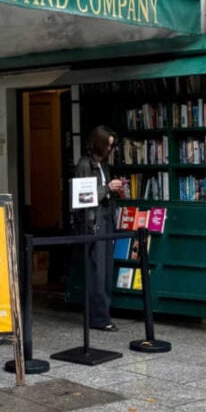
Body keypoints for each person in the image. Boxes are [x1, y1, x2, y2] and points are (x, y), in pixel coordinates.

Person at [74, 125, 125, 331]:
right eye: (108, 146)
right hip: (93, 221)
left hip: (105, 218)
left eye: (112, 147)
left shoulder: (103, 165)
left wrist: (114, 191)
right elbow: (81, 197)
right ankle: (99, 318)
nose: (110, 150)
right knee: (97, 270)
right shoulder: (84, 165)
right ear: (99, 144)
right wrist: (107, 188)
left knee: (105, 269)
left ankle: (104, 315)